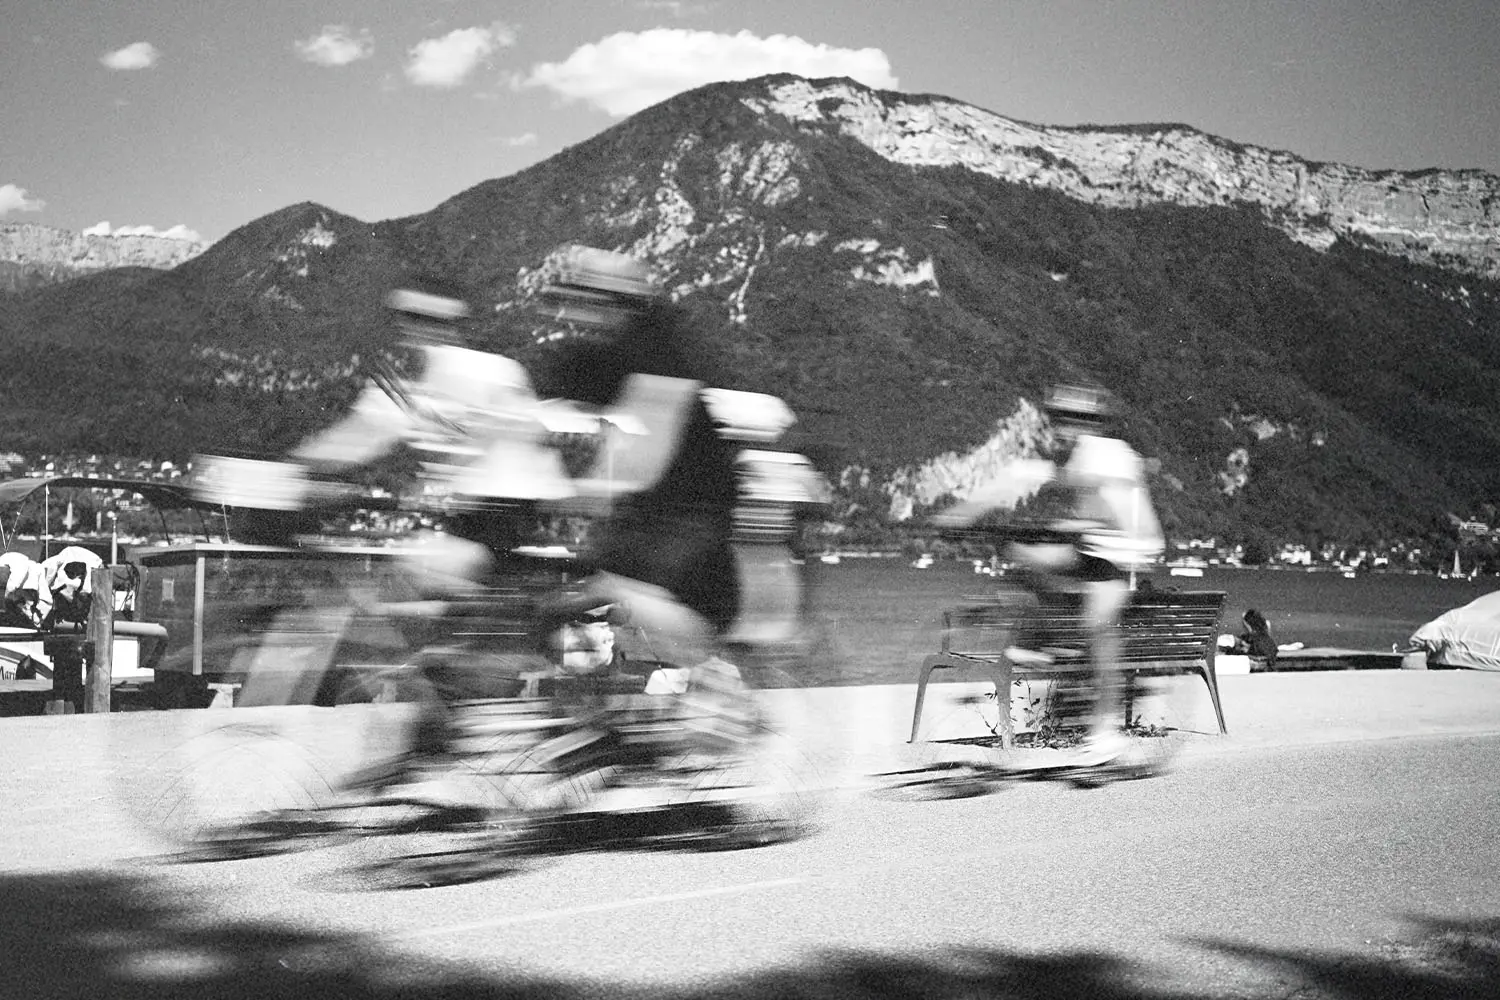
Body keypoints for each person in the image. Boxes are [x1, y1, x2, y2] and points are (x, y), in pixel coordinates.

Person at [934, 381, 1164, 767]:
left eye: (1076, 420)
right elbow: (1023, 477)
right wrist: (962, 515)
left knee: (1096, 625)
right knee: (1024, 553)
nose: (1065, 427)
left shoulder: (1107, 455)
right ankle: (1039, 636)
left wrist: (1066, 526)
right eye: (1060, 419)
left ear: (1094, 422)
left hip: (1128, 551)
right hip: (1092, 548)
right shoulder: (1074, 456)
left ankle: (1105, 734)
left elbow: (1109, 512)